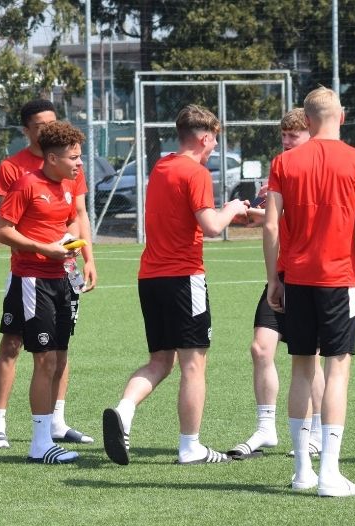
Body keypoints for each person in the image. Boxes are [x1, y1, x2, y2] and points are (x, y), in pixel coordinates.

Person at [102, 104, 248, 466]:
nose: (215, 146)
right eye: (214, 139)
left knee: (160, 361)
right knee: (194, 365)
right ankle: (190, 446)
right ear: (204, 137)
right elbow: (212, 226)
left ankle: (124, 410)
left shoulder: (162, 166)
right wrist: (232, 208)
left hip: (151, 278)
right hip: (184, 278)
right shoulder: (195, 172)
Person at [263, 87, 355, 497]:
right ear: (341, 117)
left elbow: (272, 225)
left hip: (297, 279)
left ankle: (302, 472)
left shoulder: (284, 162)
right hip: (339, 280)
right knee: (337, 371)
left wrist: (275, 278)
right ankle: (329, 473)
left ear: (306, 120)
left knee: (301, 369)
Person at [0, 99, 97, 449]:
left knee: (58, 354)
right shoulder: (22, 178)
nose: (80, 164)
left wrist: (80, 250)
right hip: (31, 278)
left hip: (63, 275)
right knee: (26, 350)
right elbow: (2, 229)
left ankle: (52, 429)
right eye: (75, 157)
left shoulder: (67, 182)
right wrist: (42, 247)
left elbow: (74, 217)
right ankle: (19, 434)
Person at [227, 109, 325, 459]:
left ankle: (315, 432)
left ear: (310, 134)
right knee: (260, 349)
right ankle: (266, 429)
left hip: (308, 276)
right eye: (283, 135)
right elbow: (275, 216)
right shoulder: (280, 164)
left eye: (292, 135)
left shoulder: (316, 167)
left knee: (308, 356)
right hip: (281, 274)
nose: (285, 141)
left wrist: (260, 214)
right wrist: (254, 212)